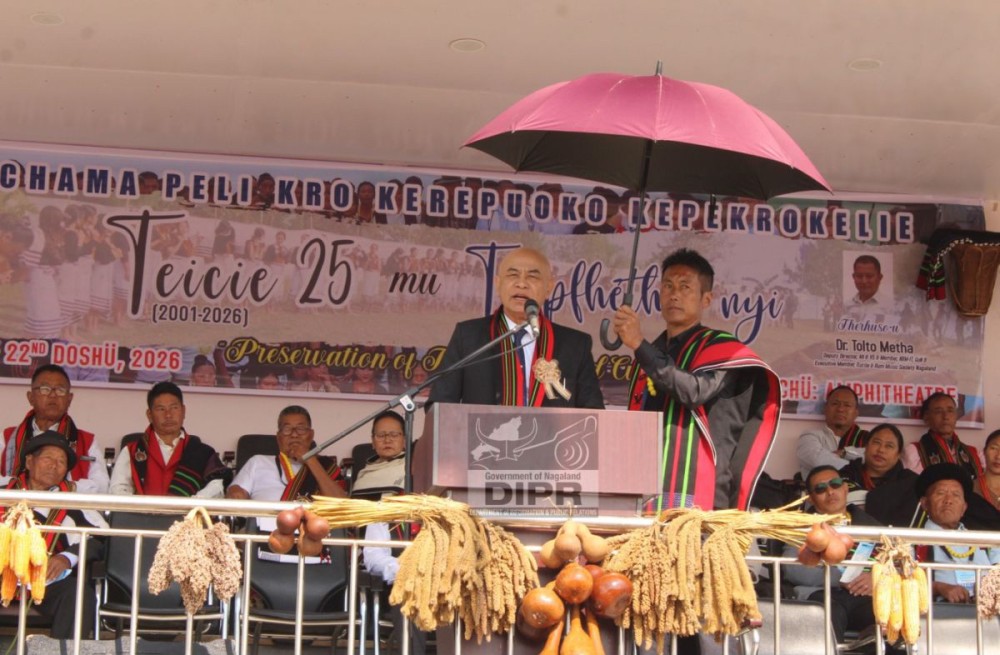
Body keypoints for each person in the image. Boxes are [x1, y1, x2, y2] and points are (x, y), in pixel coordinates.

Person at [612, 248, 781, 512]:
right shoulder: (653, 352)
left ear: (706, 299)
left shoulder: (724, 349)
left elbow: (694, 391)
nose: (674, 294)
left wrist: (638, 344)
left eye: (685, 287)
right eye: (668, 285)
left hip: (702, 493)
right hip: (648, 489)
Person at [427, 247, 604, 409]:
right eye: (513, 275)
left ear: (549, 287)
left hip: (553, 435)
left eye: (532, 277)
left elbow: (593, 413)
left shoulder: (575, 345)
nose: (521, 284)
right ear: (498, 283)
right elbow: (439, 407)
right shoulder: (469, 336)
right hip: (482, 434)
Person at [3, 432, 107, 637]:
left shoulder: (73, 503)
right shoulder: (4, 494)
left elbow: (99, 538)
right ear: (29, 461)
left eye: (61, 462)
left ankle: (63, 650)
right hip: (2, 574)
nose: (54, 465)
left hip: (46, 581)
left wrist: (66, 558)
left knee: (78, 594)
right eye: (48, 458)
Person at [782, 466, 885, 648]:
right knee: (828, 613)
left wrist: (875, 578)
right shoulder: (801, 527)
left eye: (835, 484)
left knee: (886, 619)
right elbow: (792, 570)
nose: (830, 492)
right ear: (811, 498)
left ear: (845, 489)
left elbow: (895, 565)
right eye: (820, 489)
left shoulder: (872, 526)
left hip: (864, 597)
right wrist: (842, 579)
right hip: (821, 594)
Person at [352, 410, 426, 655]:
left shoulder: (414, 470)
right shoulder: (364, 474)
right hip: (378, 556)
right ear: (372, 441)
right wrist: (403, 570)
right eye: (381, 435)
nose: (387, 440)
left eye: (394, 434)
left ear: (405, 439)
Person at [109, 382, 231, 496]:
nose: (168, 415)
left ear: (183, 411)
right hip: (142, 512)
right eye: (161, 409)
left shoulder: (202, 452)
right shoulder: (131, 451)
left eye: (174, 408)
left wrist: (191, 505)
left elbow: (216, 486)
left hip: (189, 512)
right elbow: (117, 491)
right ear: (149, 415)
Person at [1, 364, 109, 493]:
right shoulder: (7, 437)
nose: (53, 395)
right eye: (45, 389)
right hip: (14, 503)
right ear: (31, 397)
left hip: (66, 504)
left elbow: (102, 486)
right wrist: (26, 485)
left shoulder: (86, 441)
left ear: (69, 399)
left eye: (60, 390)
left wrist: (64, 489)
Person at [226, 405, 347, 508]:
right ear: (279, 437)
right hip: (264, 525)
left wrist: (310, 459)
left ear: (311, 435)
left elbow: (341, 506)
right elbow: (236, 495)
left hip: (312, 527)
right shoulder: (258, 462)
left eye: (300, 429)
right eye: (287, 429)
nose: (294, 435)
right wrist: (235, 491)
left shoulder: (325, 466)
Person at [914, 463, 1000, 603]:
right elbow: (901, 582)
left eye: (956, 495)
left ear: (964, 508)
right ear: (925, 503)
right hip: (938, 612)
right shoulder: (913, 542)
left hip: (984, 610)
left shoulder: (982, 540)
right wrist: (939, 587)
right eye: (940, 493)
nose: (948, 500)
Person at [839, 423, 919, 526]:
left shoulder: (910, 483)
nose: (881, 450)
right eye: (876, 443)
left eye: (889, 446)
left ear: (898, 455)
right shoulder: (846, 475)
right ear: (866, 446)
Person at [902, 392, 984, 478]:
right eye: (938, 411)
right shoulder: (914, 451)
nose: (946, 416)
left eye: (950, 411)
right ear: (926, 417)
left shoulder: (973, 453)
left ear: (956, 416)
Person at [797, 385, 869, 478]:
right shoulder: (810, 436)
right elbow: (817, 461)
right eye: (835, 404)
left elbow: (873, 459)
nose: (840, 409)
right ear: (825, 409)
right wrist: (857, 468)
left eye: (847, 405)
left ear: (856, 413)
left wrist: (845, 453)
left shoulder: (867, 438)